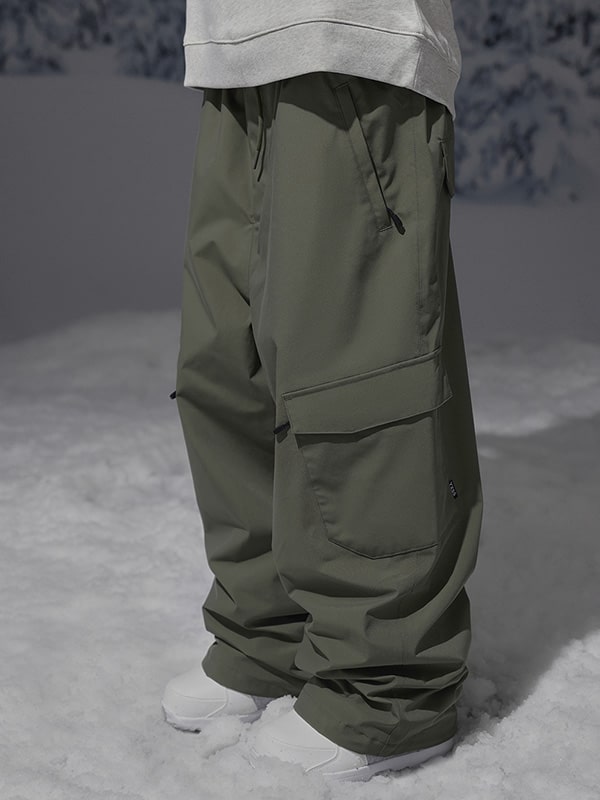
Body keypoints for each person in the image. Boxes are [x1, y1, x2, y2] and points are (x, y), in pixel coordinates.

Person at [161, 0, 484, 783]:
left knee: (355, 372)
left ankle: (386, 685)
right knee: (226, 367)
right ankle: (269, 630)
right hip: (235, 45)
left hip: (352, 37)